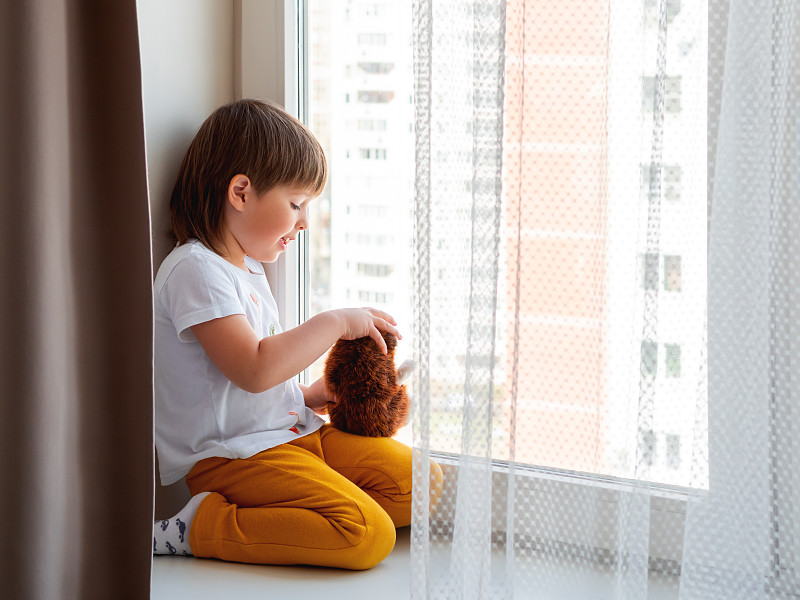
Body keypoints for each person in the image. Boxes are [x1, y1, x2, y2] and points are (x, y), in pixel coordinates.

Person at [152, 99, 442, 570]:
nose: (304, 222)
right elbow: (254, 368)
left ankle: (296, 514)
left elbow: (249, 384)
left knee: (421, 482)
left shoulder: (245, 267)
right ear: (240, 192)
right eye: (296, 204)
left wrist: (311, 395)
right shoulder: (194, 270)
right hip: (235, 458)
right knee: (366, 535)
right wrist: (334, 322)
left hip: (290, 435)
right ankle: (204, 525)